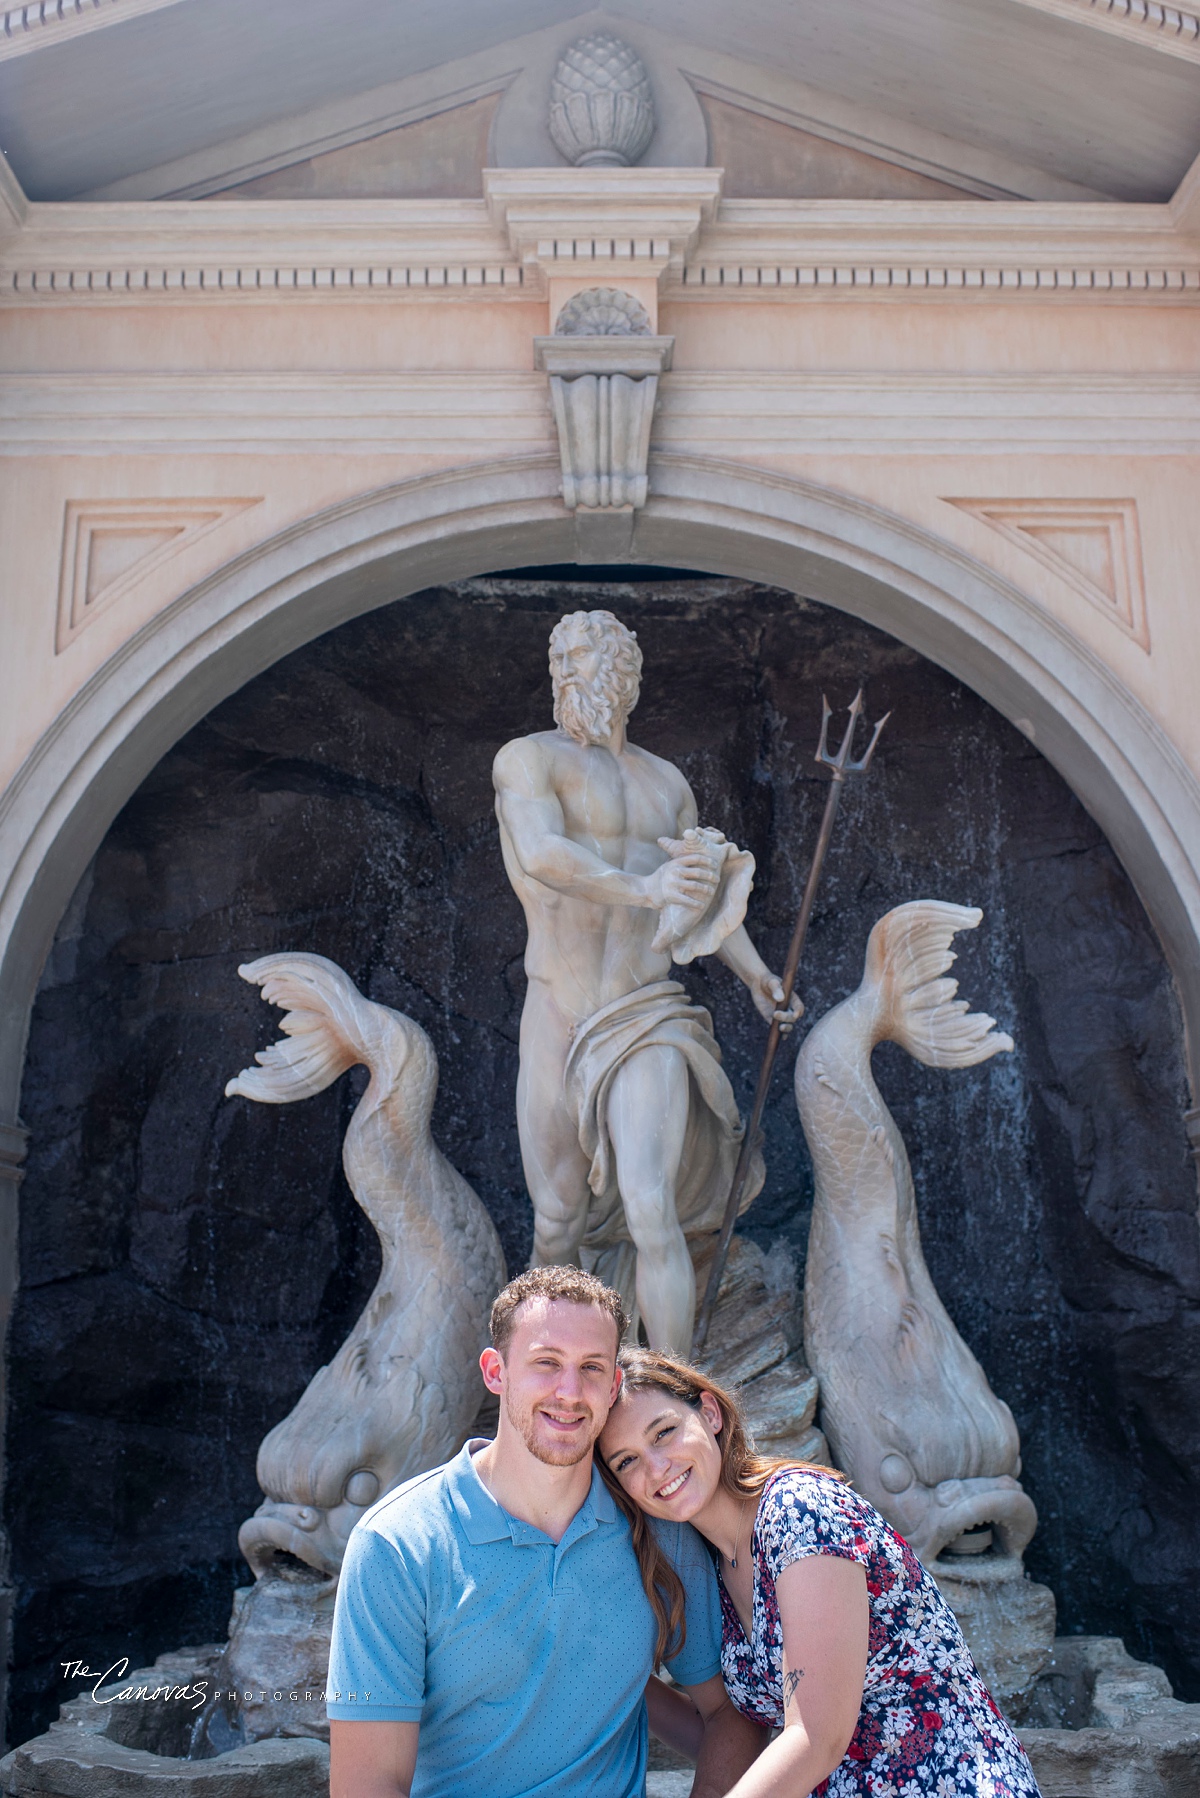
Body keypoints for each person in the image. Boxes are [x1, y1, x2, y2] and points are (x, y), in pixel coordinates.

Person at [326, 1267, 765, 1798]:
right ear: (496, 1372)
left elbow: (730, 1713)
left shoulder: (658, 1528)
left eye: (592, 1368)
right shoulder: (396, 1546)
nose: (570, 1391)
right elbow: (368, 1786)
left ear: (614, 1386)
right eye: (546, 1363)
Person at [493, 610, 800, 1353]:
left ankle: (678, 1401)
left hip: (647, 1014)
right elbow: (541, 855)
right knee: (556, 1220)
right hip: (560, 1011)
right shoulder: (527, 761)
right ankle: (540, 1385)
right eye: (559, 658)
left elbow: (700, 891)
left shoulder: (668, 784)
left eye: (585, 660)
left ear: (625, 677)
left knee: (650, 1207)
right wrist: (647, 889)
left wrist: (757, 974)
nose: (568, 672)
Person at [599, 1350, 1044, 1798]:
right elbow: (728, 1737)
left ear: (710, 1412)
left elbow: (814, 1739)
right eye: (626, 1462)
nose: (656, 1467)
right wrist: (620, 1675)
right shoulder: (715, 1566)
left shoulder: (799, 1511)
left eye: (665, 1432)